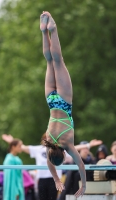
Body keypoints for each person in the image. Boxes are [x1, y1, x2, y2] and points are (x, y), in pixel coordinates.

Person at [40, 11, 86, 198]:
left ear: (64, 155)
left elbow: (80, 165)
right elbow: (50, 162)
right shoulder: (49, 143)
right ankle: (43, 32)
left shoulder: (67, 144)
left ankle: (53, 29)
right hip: (51, 100)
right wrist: (56, 179)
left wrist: (83, 185)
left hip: (64, 102)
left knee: (59, 61)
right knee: (50, 62)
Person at [2, 134, 102, 200]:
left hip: (54, 180)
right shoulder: (38, 149)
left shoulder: (58, 150)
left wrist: (88, 145)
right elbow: (21, 147)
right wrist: (11, 141)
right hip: (42, 179)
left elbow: (73, 148)